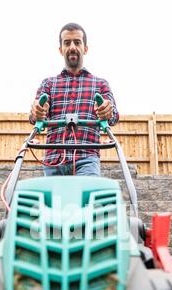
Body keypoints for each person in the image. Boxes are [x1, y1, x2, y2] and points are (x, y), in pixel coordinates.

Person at [29, 23, 119, 176]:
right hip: (54, 160)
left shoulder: (100, 84)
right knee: (52, 200)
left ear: (85, 48)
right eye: (67, 43)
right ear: (60, 50)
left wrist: (107, 111)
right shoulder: (48, 84)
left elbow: (113, 117)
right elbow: (34, 117)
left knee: (88, 199)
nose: (72, 47)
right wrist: (37, 111)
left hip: (87, 159)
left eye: (77, 42)